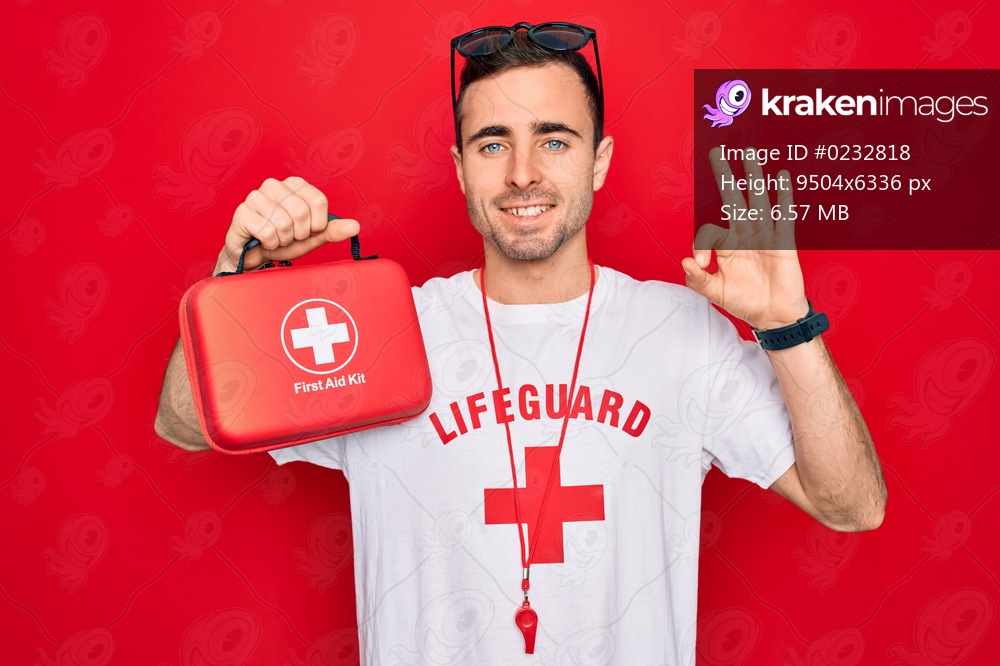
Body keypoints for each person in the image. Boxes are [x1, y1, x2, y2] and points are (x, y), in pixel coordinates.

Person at [155, 22, 886, 665]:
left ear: (597, 161)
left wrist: (788, 327)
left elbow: (853, 506)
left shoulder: (680, 332)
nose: (523, 173)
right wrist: (235, 282)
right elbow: (184, 425)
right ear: (460, 168)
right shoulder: (384, 329)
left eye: (554, 139)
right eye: (493, 142)